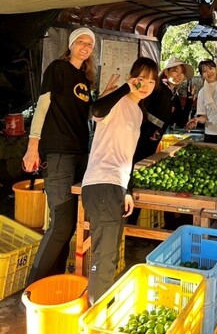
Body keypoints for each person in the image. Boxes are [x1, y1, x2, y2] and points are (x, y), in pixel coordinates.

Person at [81, 57, 158, 305]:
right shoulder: (118, 100)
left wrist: (127, 190)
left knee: (110, 253)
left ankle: (102, 308)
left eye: (151, 81)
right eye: (141, 79)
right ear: (132, 78)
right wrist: (125, 88)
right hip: (101, 183)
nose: (145, 85)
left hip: (116, 186)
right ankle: (98, 315)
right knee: (104, 257)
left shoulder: (137, 112)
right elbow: (96, 111)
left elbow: (127, 156)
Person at [22, 27, 96, 285]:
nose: (85, 46)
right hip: (58, 154)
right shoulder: (57, 68)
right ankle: (33, 287)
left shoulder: (85, 79)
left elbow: (86, 116)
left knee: (70, 224)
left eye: (89, 44)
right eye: (80, 41)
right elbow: (43, 107)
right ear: (71, 44)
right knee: (61, 223)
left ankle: (53, 281)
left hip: (80, 154)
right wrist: (33, 146)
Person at [133, 56, 195, 163]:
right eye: (175, 71)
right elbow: (140, 107)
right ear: (166, 72)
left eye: (182, 72)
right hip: (139, 138)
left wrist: (189, 100)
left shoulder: (174, 96)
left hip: (153, 142)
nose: (179, 75)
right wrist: (150, 130)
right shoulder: (157, 88)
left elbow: (181, 122)